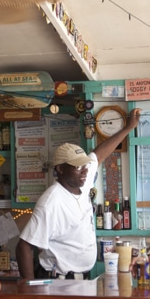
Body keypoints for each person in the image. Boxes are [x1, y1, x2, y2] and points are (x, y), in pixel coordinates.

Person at [16, 108, 141, 280]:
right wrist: (29, 290)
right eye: (77, 167)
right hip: (58, 281)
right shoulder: (51, 202)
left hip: (84, 278)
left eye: (84, 165)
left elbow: (99, 153)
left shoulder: (82, 179)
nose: (84, 171)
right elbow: (24, 246)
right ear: (60, 169)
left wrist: (128, 128)